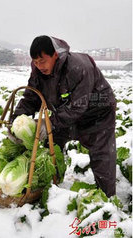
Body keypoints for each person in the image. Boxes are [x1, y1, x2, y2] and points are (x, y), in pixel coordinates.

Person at [10, 35, 116, 197]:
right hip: (65, 112)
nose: (39, 66)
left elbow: (77, 107)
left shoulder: (79, 68)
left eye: (42, 61)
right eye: (35, 62)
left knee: (102, 155)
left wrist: (48, 123)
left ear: (55, 55)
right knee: (51, 147)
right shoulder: (38, 69)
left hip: (97, 113)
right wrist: (15, 121)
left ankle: (107, 200)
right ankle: (51, 189)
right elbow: (31, 97)